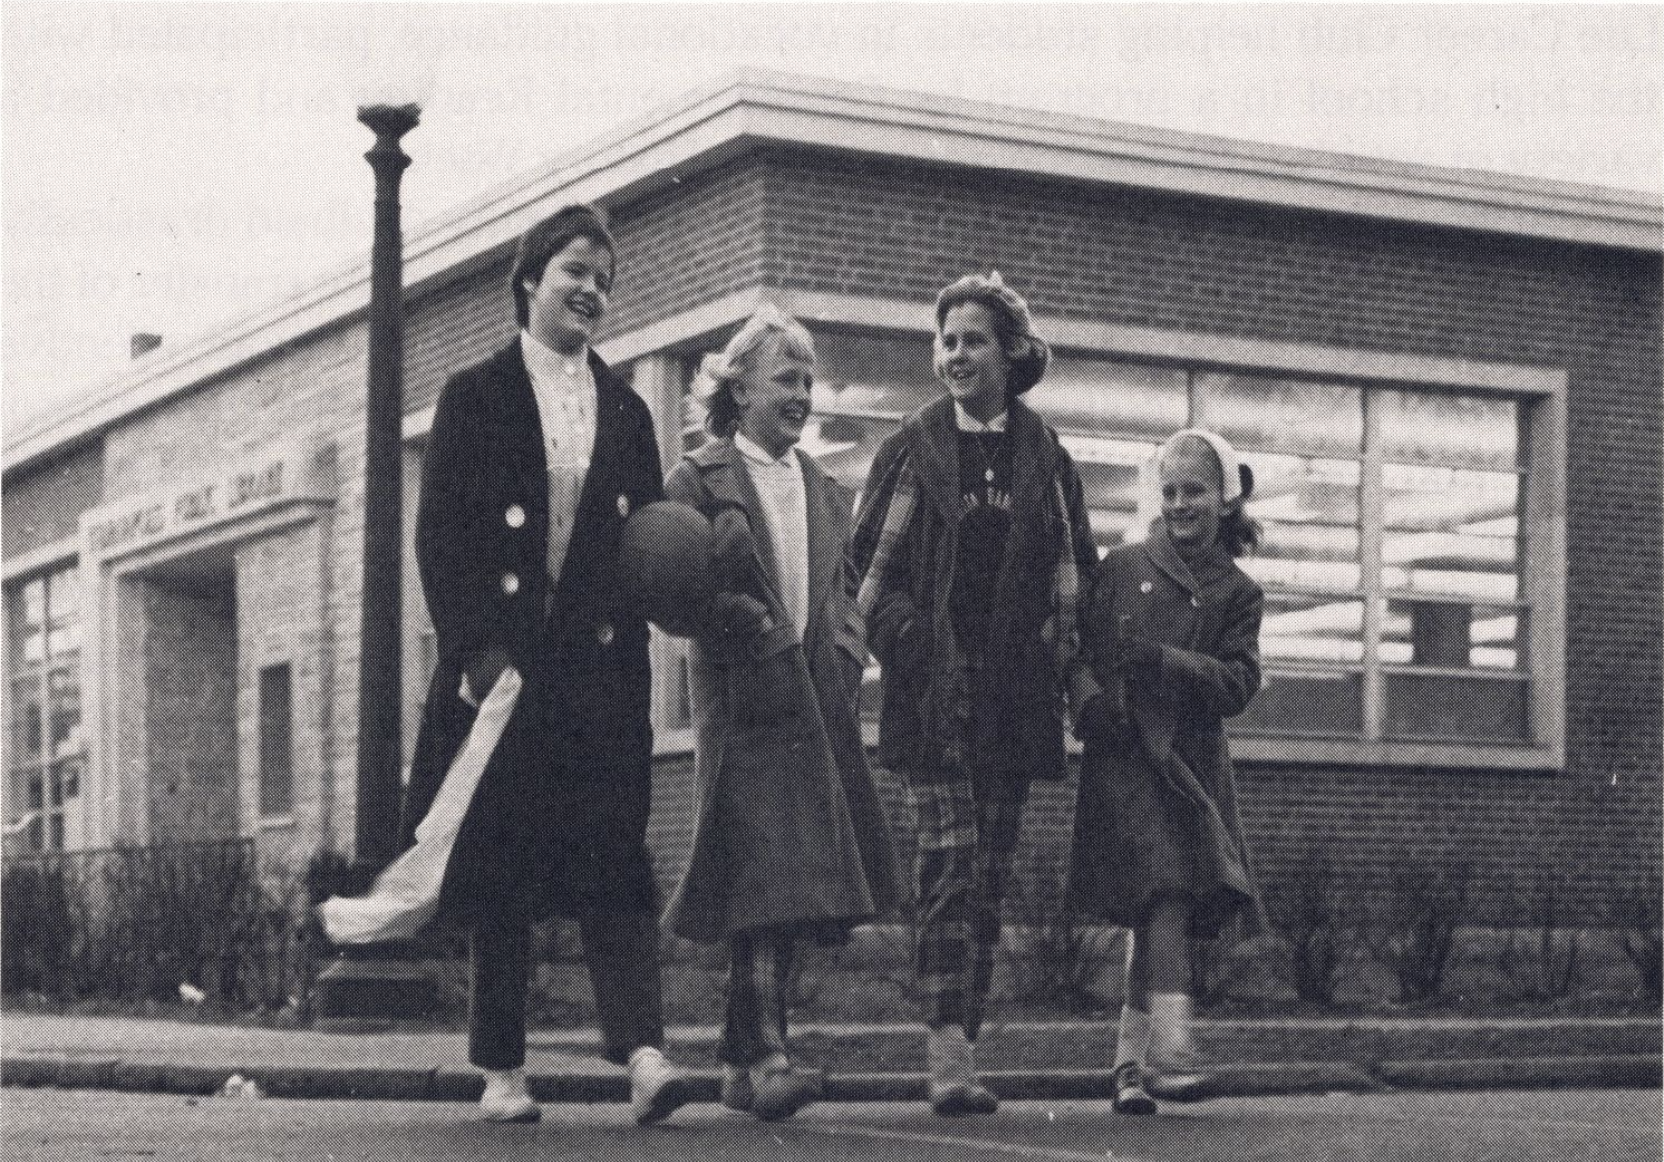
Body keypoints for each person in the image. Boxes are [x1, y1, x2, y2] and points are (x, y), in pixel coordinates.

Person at [400, 204, 691, 1126]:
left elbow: (648, 539)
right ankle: (502, 1069)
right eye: (575, 269)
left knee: (615, 856)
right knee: (502, 863)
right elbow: (442, 534)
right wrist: (476, 649)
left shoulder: (629, 409)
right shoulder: (474, 396)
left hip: (599, 675)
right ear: (529, 279)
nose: (591, 290)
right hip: (508, 668)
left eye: (604, 277)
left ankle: (644, 1054)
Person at [849, 273, 1097, 1116]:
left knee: (988, 873)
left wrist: (1061, 659)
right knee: (948, 863)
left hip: (1014, 698)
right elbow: (868, 579)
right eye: (946, 339)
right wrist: (919, 647)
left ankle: (967, 1034)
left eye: (974, 339)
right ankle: (945, 1047)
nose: (956, 353)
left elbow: (1075, 576)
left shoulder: (1044, 453)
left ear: (1012, 352)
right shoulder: (913, 448)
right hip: (933, 696)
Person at [662, 305, 900, 1121]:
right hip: (745, 705)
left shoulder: (827, 489)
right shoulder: (698, 477)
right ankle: (767, 1056)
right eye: (786, 378)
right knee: (768, 876)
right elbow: (667, 589)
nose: (802, 394)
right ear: (738, 386)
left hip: (817, 702)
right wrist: (721, 614)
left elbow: (849, 588)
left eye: (809, 380)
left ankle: (740, 1062)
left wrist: (846, 647)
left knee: (792, 877)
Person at [1067, 428, 1267, 1114]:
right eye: (1171, 490)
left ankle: (1136, 1065)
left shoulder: (1238, 593)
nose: (1181, 504)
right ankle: (1165, 1056)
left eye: (1196, 491)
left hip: (1187, 764)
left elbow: (1241, 683)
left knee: (1166, 902)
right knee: (1160, 900)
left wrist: (1170, 663)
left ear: (1224, 499)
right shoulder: (1121, 567)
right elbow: (1079, 652)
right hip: (1126, 758)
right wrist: (1088, 703)